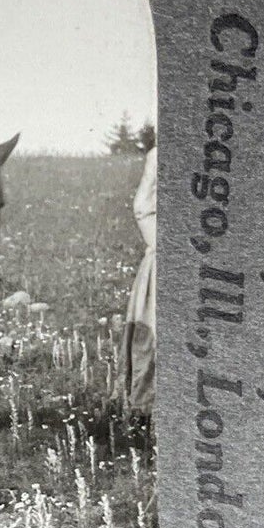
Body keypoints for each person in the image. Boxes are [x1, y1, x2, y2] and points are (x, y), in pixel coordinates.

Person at [122, 141, 157, 417]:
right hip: (166, 259)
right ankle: (144, 411)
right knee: (151, 337)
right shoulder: (160, 156)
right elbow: (143, 208)